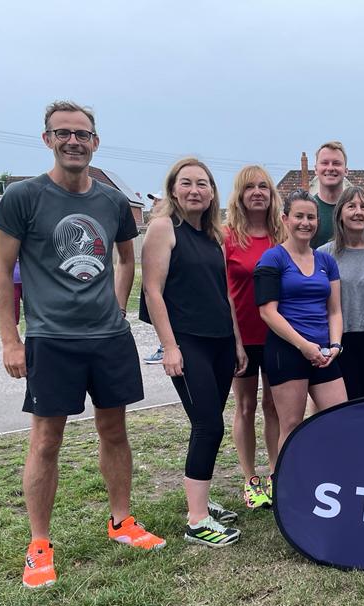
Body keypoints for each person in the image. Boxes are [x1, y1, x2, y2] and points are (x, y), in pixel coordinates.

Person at [0, 100, 165, 588]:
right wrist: (11, 339)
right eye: (63, 133)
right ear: (47, 139)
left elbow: (126, 260)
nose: (74, 141)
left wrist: (113, 306)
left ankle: (121, 521)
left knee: (115, 430)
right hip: (50, 339)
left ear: (95, 141)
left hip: (109, 338)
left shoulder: (110, 202)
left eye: (83, 134)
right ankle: (40, 543)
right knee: (46, 440)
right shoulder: (23, 198)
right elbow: (2, 271)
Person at [141, 158, 246, 548]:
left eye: (202, 184)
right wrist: (169, 347)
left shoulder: (214, 236)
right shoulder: (163, 228)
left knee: (207, 422)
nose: (195, 190)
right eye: (186, 183)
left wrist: (235, 342)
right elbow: (153, 290)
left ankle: (199, 500)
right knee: (209, 426)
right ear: (173, 189)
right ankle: (196, 519)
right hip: (188, 342)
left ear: (212, 192)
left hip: (220, 341)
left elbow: (225, 295)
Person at [254, 190, 347, 456]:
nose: (305, 222)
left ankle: (323, 478)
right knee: (292, 425)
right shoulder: (273, 258)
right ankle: (285, 487)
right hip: (287, 351)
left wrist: (336, 345)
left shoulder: (326, 261)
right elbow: (268, 312)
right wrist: (304, 345)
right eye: (299, 216)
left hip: (324, 353)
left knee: (338, 419)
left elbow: (335, 311)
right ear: (285, 219)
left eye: (311, 217)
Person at [224, 165, 284, 510]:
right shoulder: (228, 236)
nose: (258, 192)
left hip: (278, 335)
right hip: (243, 336)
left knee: (274, 405)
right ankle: (251, 479)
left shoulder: (282, 234)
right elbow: (226, 293)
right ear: (240, 195)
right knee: (245, 406)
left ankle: (277, 474)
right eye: (250, 188)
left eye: (263, 186)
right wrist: (233, 341)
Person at [319, 186, 364, 399]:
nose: (358, 212)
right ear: (340, 214)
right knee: (345, 404)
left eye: (363, 207)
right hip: (338, 340)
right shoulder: (324, 254)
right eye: (351, 206)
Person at [310, 141, 364, 249]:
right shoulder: (308, 209)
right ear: (316, 169)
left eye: (336, 163)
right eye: (325, 163)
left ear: (346, 171)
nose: (330, 168)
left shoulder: (360, 209)